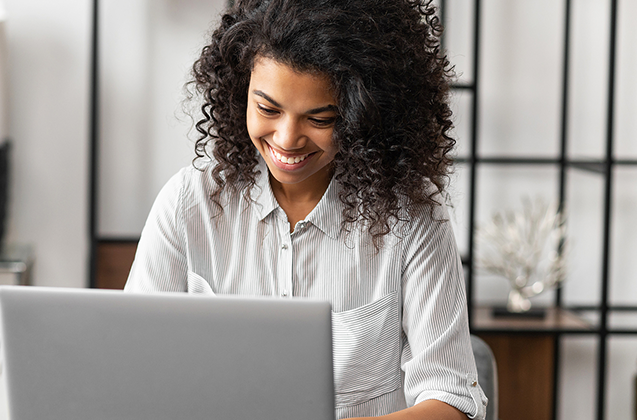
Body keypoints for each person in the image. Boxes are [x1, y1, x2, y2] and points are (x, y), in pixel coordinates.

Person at [124, 0, 487, 418]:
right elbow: (135, 374)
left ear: (362, 114)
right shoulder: (189, 205)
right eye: (267, 108)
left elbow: (453, 401)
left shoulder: (412, 217)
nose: (286, 139)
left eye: (320, 118)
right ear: (240, 91)